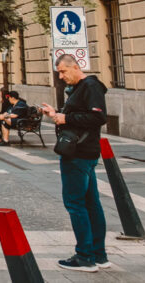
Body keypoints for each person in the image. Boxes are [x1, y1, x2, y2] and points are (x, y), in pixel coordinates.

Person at [42, 55, 110, 272]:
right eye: (59, 73)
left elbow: (98, 117)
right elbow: (81, 115)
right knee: (91, 203)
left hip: (79, 153)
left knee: (76, 204)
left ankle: (85, 256)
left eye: (63, 71)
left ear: (76, 66)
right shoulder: (83, 87)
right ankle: (98, 255)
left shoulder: (90, 86)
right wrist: (55, 114)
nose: (61, 77)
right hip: (84, 151)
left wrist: (66, 119)